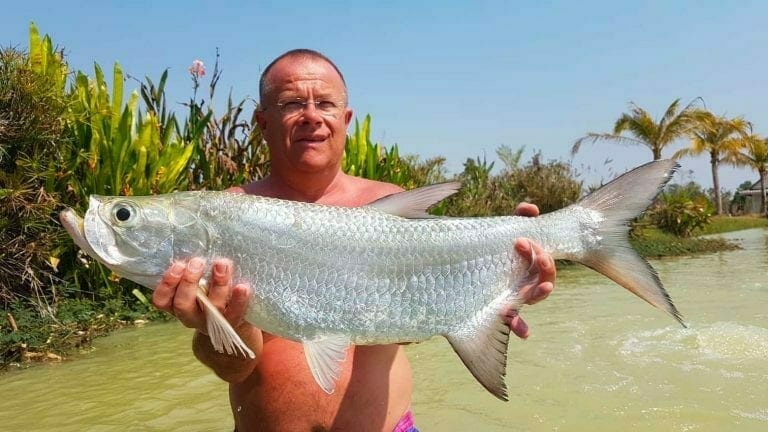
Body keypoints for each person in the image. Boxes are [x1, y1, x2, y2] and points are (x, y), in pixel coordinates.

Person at [152, 49, 556, 432]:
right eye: (292, 104)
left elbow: (404, 328)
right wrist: (219, 327)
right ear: (261, 122)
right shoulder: (226, 214)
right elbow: (235, 369)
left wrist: (493, 282)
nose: (311, 116)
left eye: (325, 104)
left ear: (345, 118)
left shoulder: (386, 201)